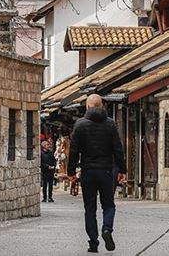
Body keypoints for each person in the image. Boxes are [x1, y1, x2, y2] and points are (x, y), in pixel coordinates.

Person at [68, 94, 126, 253]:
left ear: (87, 107)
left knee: (90, 208)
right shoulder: (110, 124)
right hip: (106, 171)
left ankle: (93, 243)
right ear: (102, 106)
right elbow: (117, 149)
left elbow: (74, 151)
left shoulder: (80, 125)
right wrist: (122, 170)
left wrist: (71, 172)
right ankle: (107, 228)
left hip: (88, 171)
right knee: (108, 204)